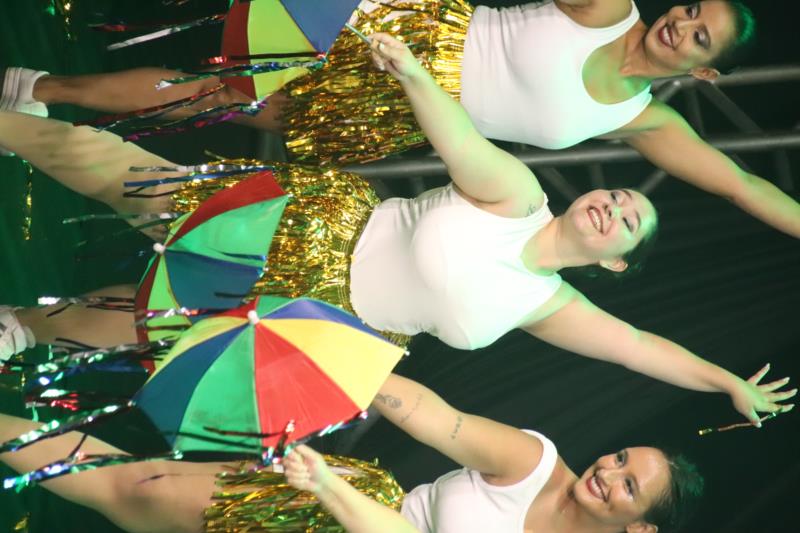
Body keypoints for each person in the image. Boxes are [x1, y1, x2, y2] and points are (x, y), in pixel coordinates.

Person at [0, 32, 793, 426]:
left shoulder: (549, 305)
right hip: (311, 230)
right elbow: (459, 139)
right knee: (129, 178)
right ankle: (15, 121)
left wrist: (726, 381)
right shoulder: (520, 196)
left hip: (323, 324)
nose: (613, 207)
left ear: (614, 263)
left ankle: (24, 326)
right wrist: (414, 75)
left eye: (626, 223)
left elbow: (643, 347)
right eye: (619, 196)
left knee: (149, 322)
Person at [3, 0, 799, 237]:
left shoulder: (643, 119)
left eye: (700, 37)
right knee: (230, 76)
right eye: (690, 9)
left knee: (221, 98)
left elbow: (742, 185)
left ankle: (41, 89)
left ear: (704, 71)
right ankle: (46, 87)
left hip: (399, 110)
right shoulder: (608, 8)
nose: (681, 25)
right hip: (399, 34)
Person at [0, 371, 794, 532]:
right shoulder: (533, 461)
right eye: (621, 457)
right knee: (139, 488)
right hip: (322, 508)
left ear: (641, 529)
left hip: (338, 500)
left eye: (629, 484)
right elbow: (441, 421)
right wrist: (365, 367)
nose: (608, 471)